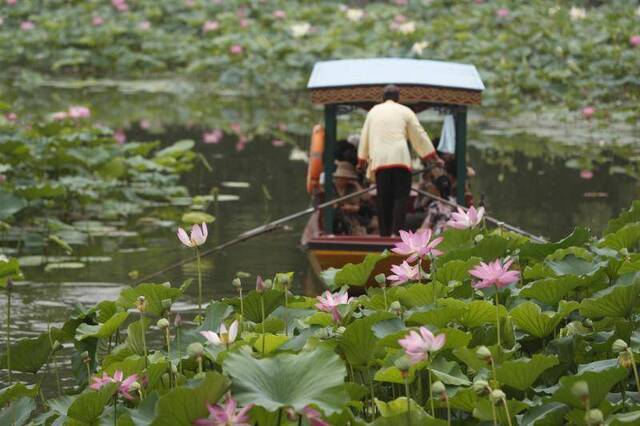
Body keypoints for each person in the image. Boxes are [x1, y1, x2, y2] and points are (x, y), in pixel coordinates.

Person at [357, 84, 443, 236]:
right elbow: (419, 136)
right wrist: (434, 158)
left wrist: (361, 161)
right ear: (398, 98)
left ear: (382, 98)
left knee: (383, 198)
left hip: (380, 161)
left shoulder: (373, 112)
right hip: (400, 158)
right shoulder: (405, 111)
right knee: (400, 197)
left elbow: (365, 137)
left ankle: (384, 235)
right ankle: (396, 234)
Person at [332, 161, 376, 235]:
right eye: (339, 178)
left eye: (345, 178)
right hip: (335, 220)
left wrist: (356, 184)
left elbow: (367, 199)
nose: (341, 180)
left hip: (354, 219)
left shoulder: (352, 188)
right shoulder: (331, 189)